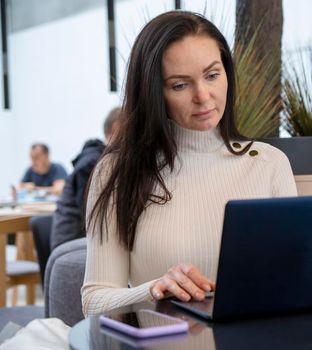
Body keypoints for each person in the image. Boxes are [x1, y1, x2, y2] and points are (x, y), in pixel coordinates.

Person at [81, 11, 297, 316]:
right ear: (155, 93)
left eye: (212, 75)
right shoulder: (118, 172)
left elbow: (294, 278)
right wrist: (155, 289)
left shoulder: (269, 163)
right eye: (180, 85)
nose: (203, 96)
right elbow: (93, 303)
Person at [50, 107, 121, 251]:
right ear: (116, 128)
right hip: (71, 244)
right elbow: (92, 214)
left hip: (83, 239)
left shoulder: (102, 159)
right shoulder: (93, 163)